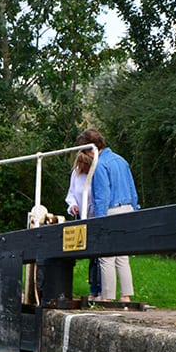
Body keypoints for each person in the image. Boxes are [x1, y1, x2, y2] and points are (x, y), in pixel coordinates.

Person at [75, 128, 139, 303]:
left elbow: (103, 196)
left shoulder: (100, 164)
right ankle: (125, 296)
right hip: (128, 209)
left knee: (106, 257)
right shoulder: (121, 160)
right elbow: (133, 191)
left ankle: (107, 297)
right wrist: (135, 209)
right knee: (123, 256)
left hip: (111, 211)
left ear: (89, 149)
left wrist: (100, 221)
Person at [65, 150, 101, 300]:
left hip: (95, 217)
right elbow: (71, 194)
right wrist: (73, 205)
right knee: (84, 254)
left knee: (97, 256)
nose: (82, 167)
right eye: (80, 164)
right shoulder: (76, 174)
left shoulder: (96, 173)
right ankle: (89, 289)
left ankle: (98, 290)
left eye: (84, 164)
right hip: (81, 218)